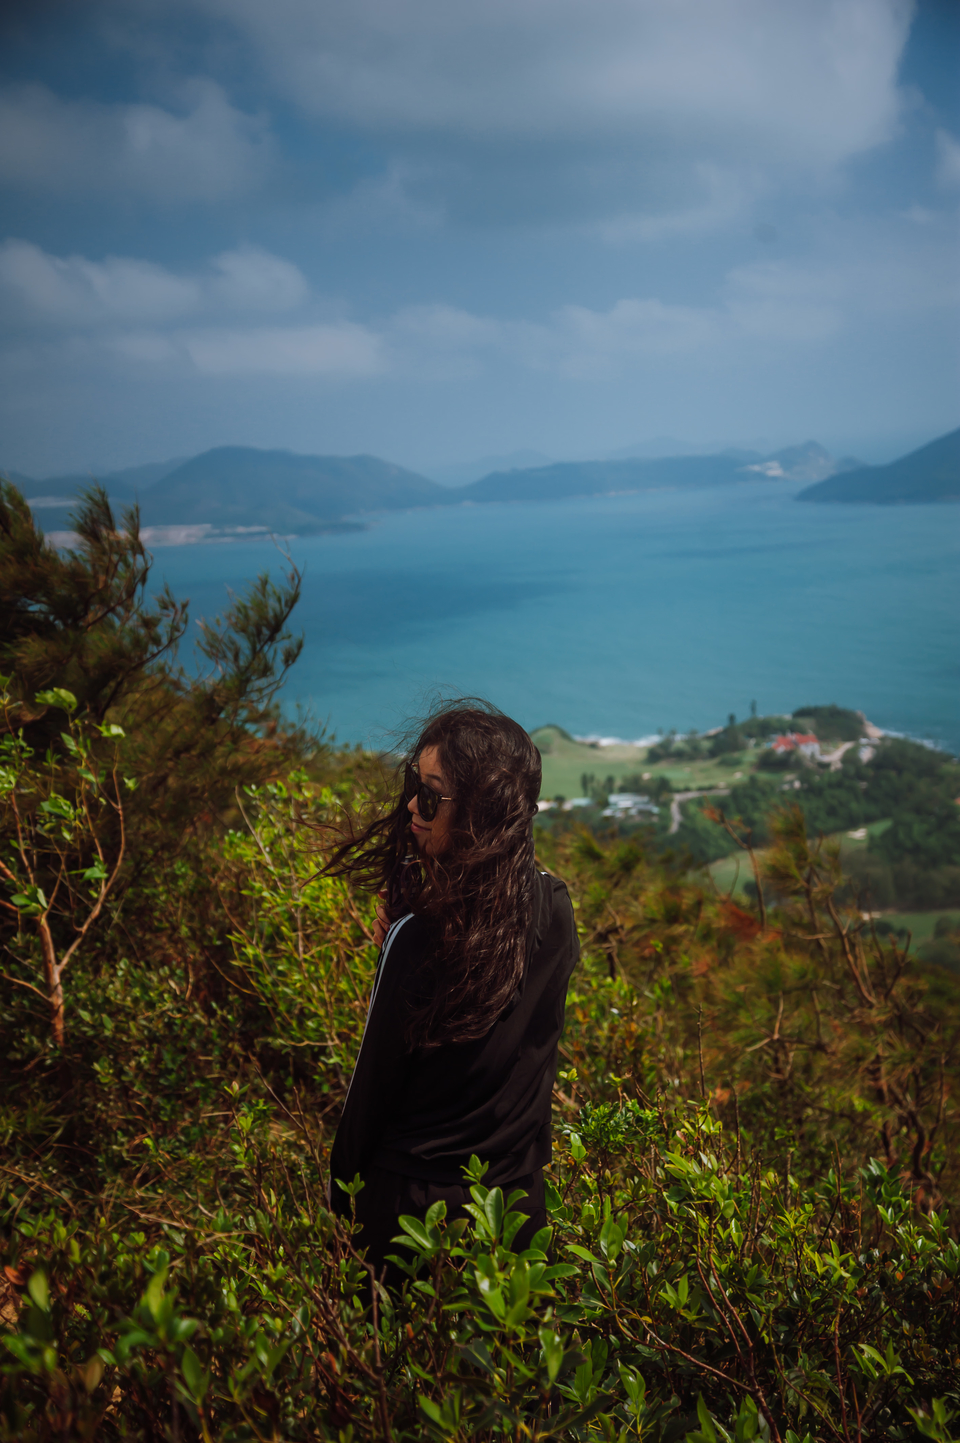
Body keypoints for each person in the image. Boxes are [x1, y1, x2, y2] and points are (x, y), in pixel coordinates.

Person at [326, 701, 579, 1283]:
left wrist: (341, 1202)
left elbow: (370, 1094)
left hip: (407, 1219)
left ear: (480, 813)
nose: (414, 805)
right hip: (515, 1214)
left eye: (433, 795)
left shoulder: (418, 938)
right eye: (417, 786)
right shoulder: (555, 907)